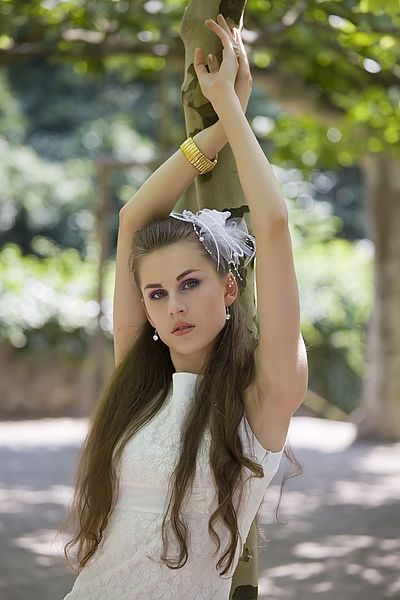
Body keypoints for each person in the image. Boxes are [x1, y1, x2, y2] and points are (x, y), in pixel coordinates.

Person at [59, 13, 308, 599]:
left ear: (229, 287)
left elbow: (271, 224)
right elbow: (131, 222)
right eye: (157, 293)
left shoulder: (264, 394)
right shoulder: (137, 382)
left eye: (190, 283)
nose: (174, 306)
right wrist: (214, 133)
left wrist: (231, 109)